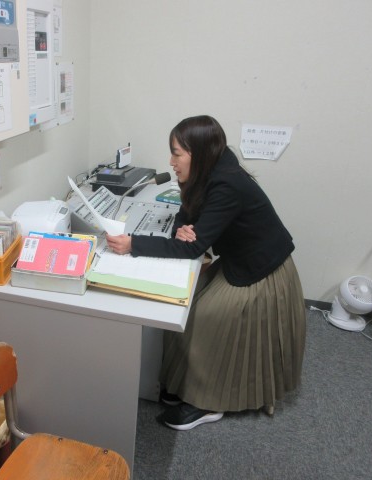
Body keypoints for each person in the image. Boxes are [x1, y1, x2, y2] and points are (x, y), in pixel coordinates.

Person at [105, 115, 306, 431]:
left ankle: (209, 402)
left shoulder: (226, 185)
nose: (171, 162)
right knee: (185, 305)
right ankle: (182, 383)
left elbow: (192, 248)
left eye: (176, 154)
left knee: (203, 318)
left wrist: (134, 244)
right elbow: (184, 221)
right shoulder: (209, 170)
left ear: (197, 154)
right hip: (238, 259)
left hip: (261, 270)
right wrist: (184, 226)